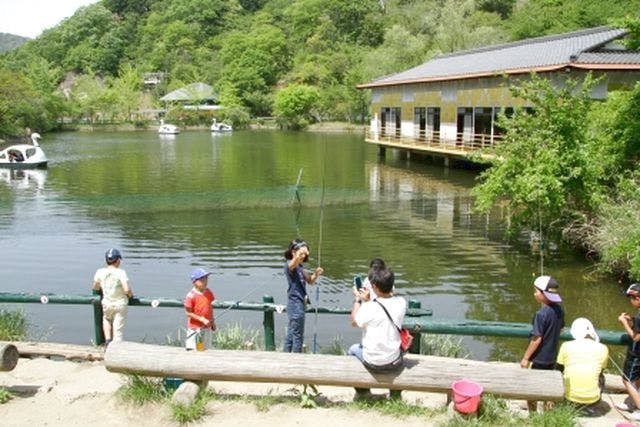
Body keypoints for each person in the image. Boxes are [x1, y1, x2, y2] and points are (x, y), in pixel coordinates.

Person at [348, 266, 406, 399]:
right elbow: (385, 306)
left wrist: (358, 299)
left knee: (352, 350)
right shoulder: (402, 303)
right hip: (394, 360)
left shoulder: (369, 307)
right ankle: (395, 394)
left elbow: (354, 322)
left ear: (374, 286)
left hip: (373, 361)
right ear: (392, 285)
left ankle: (363, 392)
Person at [520, 275, 564, 412]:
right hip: (552, 357)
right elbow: (561, 328)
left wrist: (526, 358)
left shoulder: (541, 314)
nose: (534, 294)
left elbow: (536, 338)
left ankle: (533, 414)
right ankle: (548, 414)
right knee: (549, 388)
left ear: (543, 294)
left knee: (532, 388)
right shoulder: (559, 310)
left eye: (536, 291)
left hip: (539, 358)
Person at [556, 318, 608, 416]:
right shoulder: (603, 348)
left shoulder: (566, 345)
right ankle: (591, 404)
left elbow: (559, 369)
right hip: (593, 399)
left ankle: (568, 401)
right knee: (602, 377)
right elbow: (601, 371)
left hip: (569, 397)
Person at [283, 238, 323, 353]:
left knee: (291, 335)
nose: (304, 256)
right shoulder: (289, 266)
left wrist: (316, 274)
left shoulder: (300, 268)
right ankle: (296, 362)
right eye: (301, 253)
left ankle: (286, 358)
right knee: (298, 337)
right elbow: (293, 263)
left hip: (299, 304)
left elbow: (310, 280)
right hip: (295, 305)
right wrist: (300, 253)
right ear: (293, 252)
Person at [92, 248, 132, 344]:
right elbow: (126, 289)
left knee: (106, 319)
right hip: (120, 304)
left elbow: (95, 287)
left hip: (107, 303)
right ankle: (116, 348)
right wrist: (130, 295)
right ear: (118, 260)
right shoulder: (121, 272)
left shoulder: (100, 272)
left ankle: (107, 341)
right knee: (118, 329)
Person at [615, 283, 640, 420]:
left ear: (638, 298)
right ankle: (632, 402)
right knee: (636, 379)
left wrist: (624, 323)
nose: (630, 301)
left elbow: (636, 337)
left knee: (627, 380)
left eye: (631, 298)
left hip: (636, 355)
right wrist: (632, 319)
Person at [184, 267, 216, 351]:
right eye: (202, 279)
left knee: (206, 349)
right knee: (196, 350)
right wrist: (201, 319)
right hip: (196, 329)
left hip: (207, 326)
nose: (205, 281)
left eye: (206, 278)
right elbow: (188, 313)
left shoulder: (208, 292)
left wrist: (212, 321)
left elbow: (210, 307)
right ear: (194, 282)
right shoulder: (191, 296)